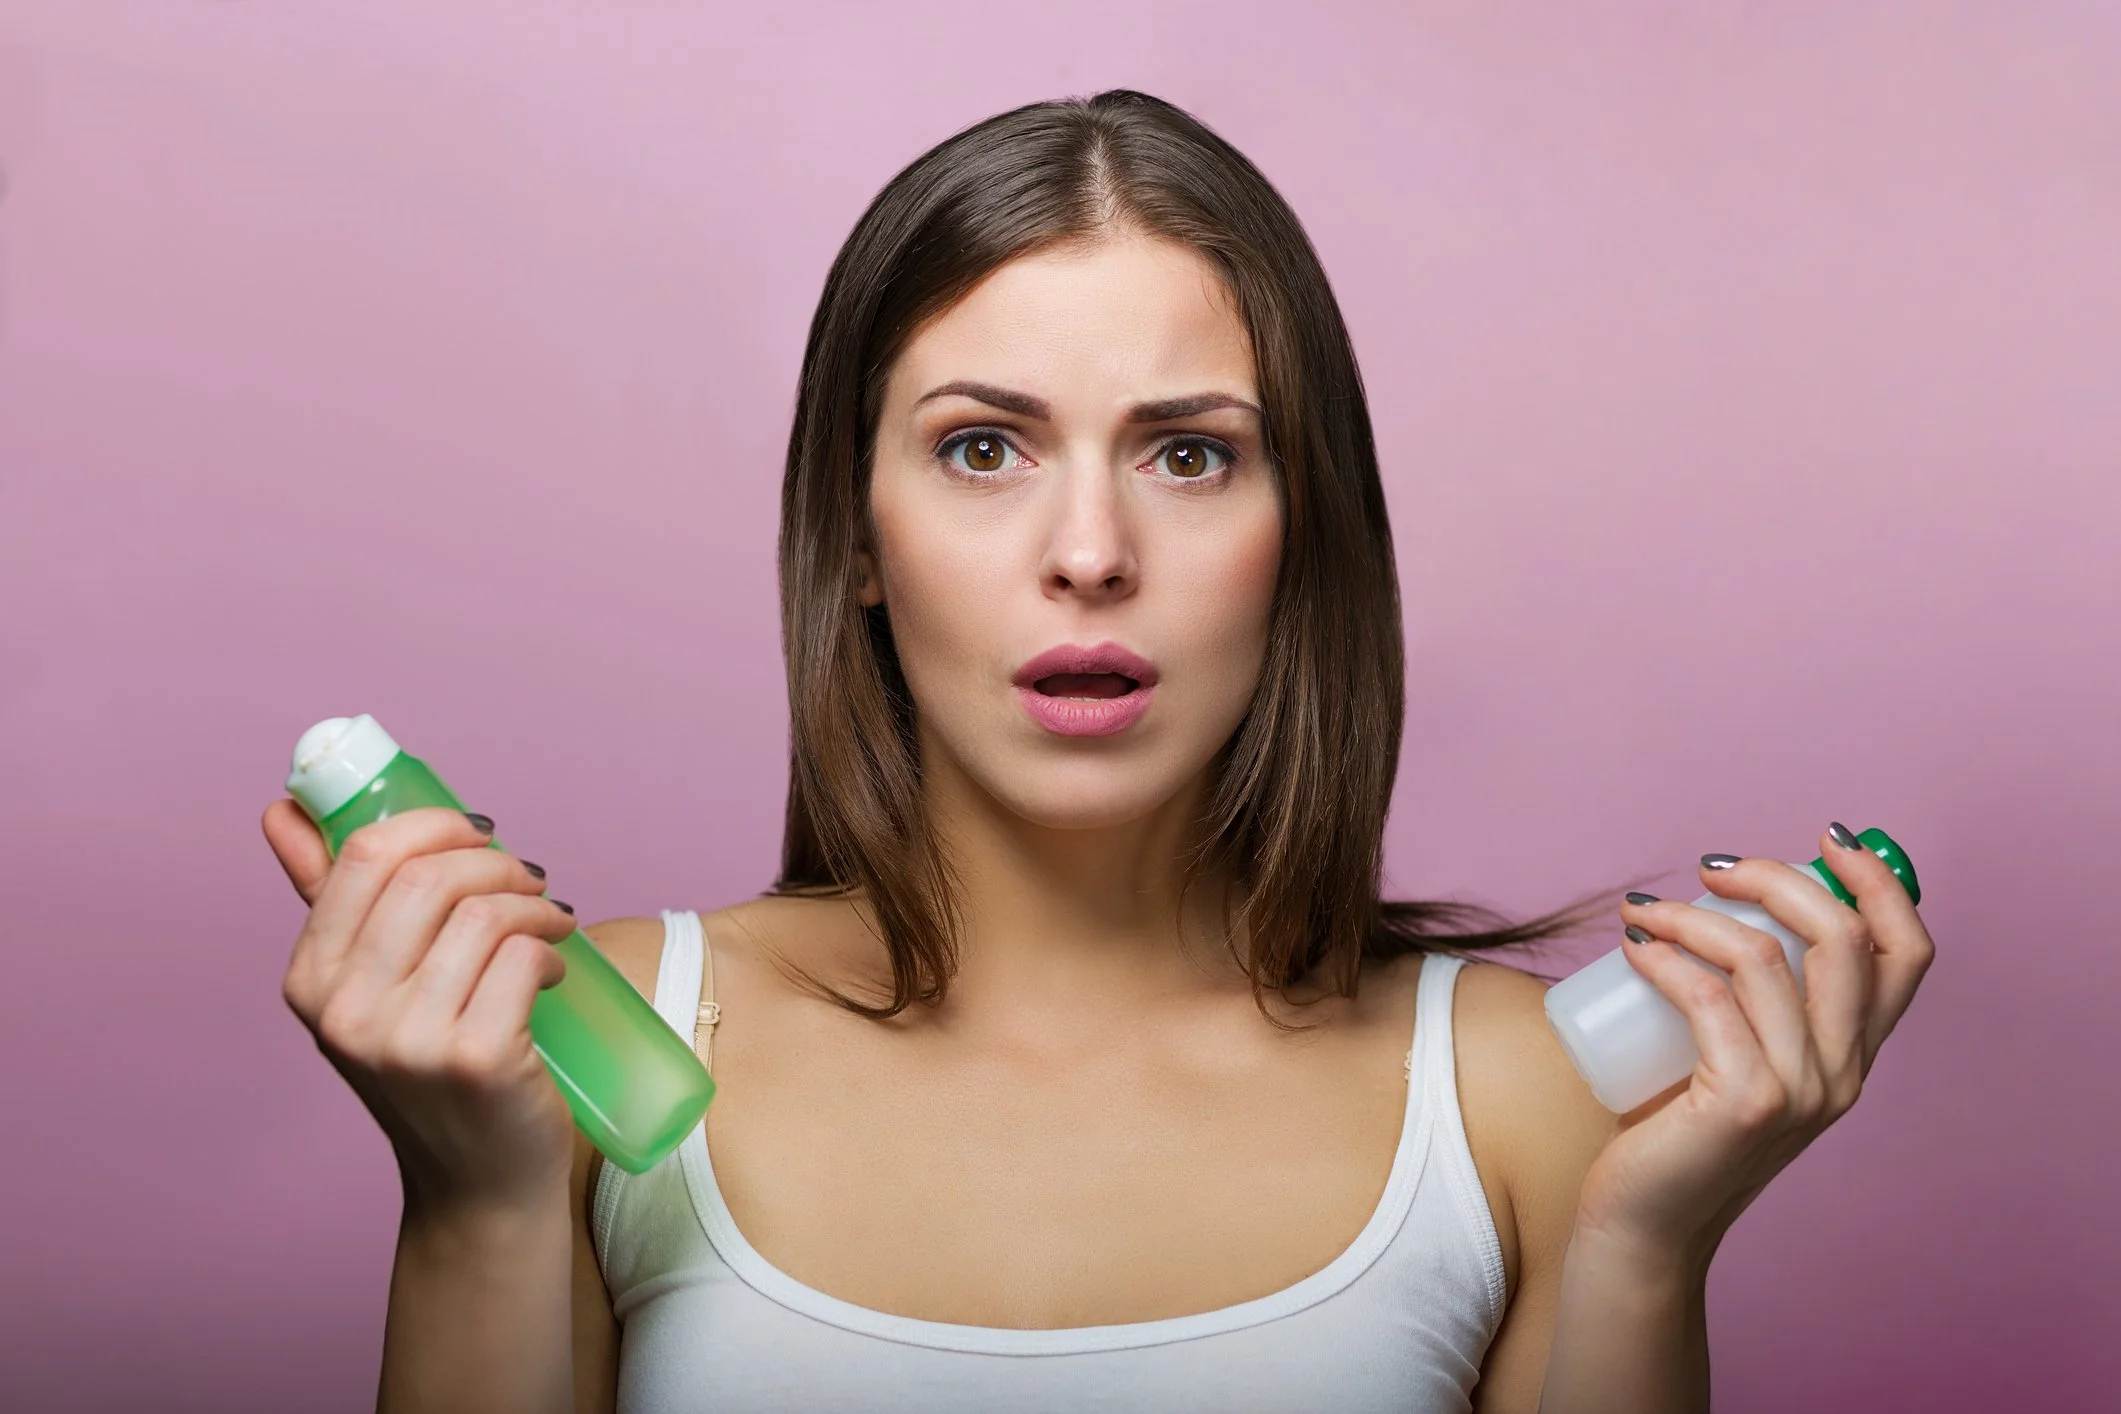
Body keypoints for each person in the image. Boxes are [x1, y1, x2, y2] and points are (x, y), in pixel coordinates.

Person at [264, 90, 1935, 1414]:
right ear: (858, 533)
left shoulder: (1520, 1096)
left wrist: (1646, 1247)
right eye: (982, 448)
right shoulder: (599, 1045)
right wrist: (474, 1195)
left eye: (1189, 456)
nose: (1088, 553)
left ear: (1304, 530)